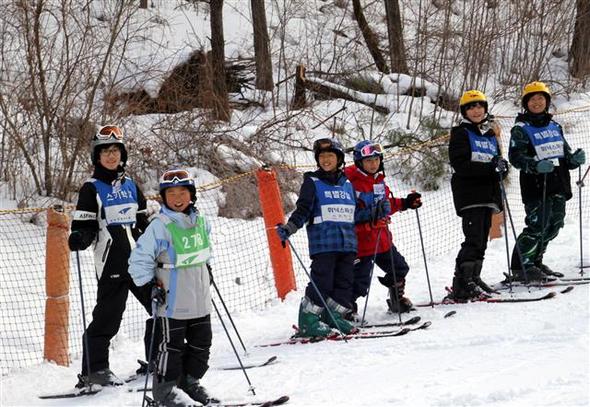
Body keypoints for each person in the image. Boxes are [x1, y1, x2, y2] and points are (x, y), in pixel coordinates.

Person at [68, 125, 154, 387]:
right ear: (97, 156)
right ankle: (95, 371)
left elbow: (141, 221)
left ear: (122, 154)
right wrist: (81, 237)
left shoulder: (130, 185)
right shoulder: (91, 188)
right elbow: (84, 225)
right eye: (105, 151)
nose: (111, 155)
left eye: (115, 150)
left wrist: (157, 237)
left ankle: (159, 357)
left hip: (140, 261)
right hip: (111, 263)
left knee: (161, 306)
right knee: (108, 317)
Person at [128, 168, 215, 407]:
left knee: (202, 345)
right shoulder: (160, 225)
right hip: (172, 301)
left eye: (183, 192)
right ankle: (165, 392)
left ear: (192, 195)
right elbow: (138, 261)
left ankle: (189, 383)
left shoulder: (202, 222)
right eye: (172, 193)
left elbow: (206, 253)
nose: (178, 198)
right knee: (171, 349)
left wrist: (208, 269)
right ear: (164, 198)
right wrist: (148, 287)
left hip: (199, 299)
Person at [276, 138, 357, 338]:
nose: (326, 160)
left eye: (330, 156)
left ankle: (333, 317)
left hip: (347, 244)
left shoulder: (347, 184)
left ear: (339, 159)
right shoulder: (312, 182)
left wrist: (376, 212)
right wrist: (290, 227)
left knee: (344, 282)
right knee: (323, 281)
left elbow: (356, 212)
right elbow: (303, 209)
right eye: (322, 157)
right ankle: (308, 320)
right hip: (324, 244)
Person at [509, 81, 586, 281]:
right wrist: (534, 164)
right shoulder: (521, 128)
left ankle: (536, 260)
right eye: (532, 99)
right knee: (538, 225)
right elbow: (515, 157)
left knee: (554, 225)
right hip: (536, 185)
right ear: (526, 103)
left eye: (541, 98)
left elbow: (564, 154)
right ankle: (521, 265)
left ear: (547, 101)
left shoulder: (554, 126)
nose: (537, 102)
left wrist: (573, 159)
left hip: (558, 183)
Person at [344, 140, 422, 318]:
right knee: (359, 281)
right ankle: (347, 309)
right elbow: (347, 213)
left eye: (376, 160)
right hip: (361, 243)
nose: (373, 164)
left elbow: (386, 205)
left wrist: (406, 203)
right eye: (368, 161)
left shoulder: (379, 180)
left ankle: (397, 300)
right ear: (359, 163)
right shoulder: (350, 184)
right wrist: (368, 219)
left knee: (400, 268)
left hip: (382, 240)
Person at [447, 90, 508, 301]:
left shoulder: (489, 135)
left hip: (488, 195)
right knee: (472, 239)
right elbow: (461, 165)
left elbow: (496, 165)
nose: (476, 110)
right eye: (471, 107)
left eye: (480, 106)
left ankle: (474, 277)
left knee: (481, 240)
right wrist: (490, 167)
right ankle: (462, 283)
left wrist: (502, 167)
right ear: (465, 111)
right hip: (470, 195)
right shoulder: (460, 133)